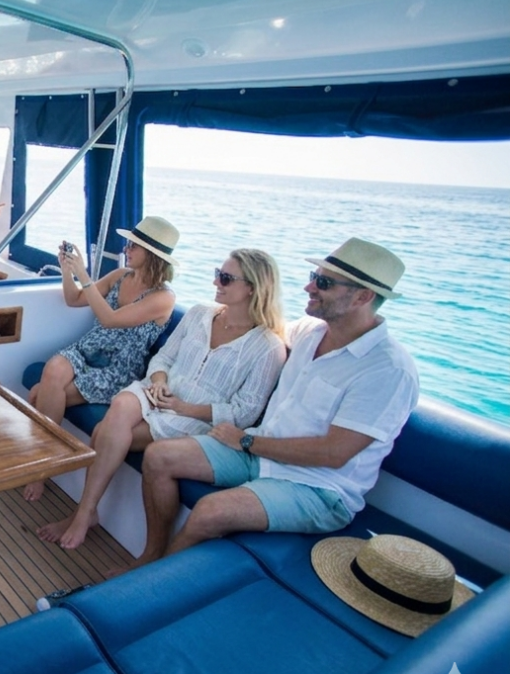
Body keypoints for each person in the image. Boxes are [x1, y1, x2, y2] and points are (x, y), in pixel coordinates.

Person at [122, 238, 418, 574]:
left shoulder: (388, 370)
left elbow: (334, 453)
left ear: (363, 297)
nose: (308, 286)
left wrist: (246, 440)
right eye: (313, 275)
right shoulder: (309, 332)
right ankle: (151, 555)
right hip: (260, 453)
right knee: (160, 457)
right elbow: (255, 331)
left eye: (323, 282)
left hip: (317, 486)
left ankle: (151, 585)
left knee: (210, 512)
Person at [37, 249, 287, 549]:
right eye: (217, 273)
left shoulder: (267, 347)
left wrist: (186, 408)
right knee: (121, 404)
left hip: (191, 418)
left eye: (225, 278)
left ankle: (83, 512)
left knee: (105, 430)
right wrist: (158, 381)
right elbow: (164, 359)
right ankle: (84, 511)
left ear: (253, 287)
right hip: (156, 393)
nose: (215, 282)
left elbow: (245, 413)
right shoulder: (199, 314)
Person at [24, 216, 179, 501]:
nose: (126, 249)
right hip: (87, 350)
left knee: (39, 392)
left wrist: (84, 274)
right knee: (53, 369)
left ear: (153, 256)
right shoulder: (121, 276)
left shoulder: (163, 297)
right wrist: (67, 270)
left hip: (117, 366)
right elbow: (74, 299)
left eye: (134, 246)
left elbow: (109, 320)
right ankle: (42, 461)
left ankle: (40, 468)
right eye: (129, 243)